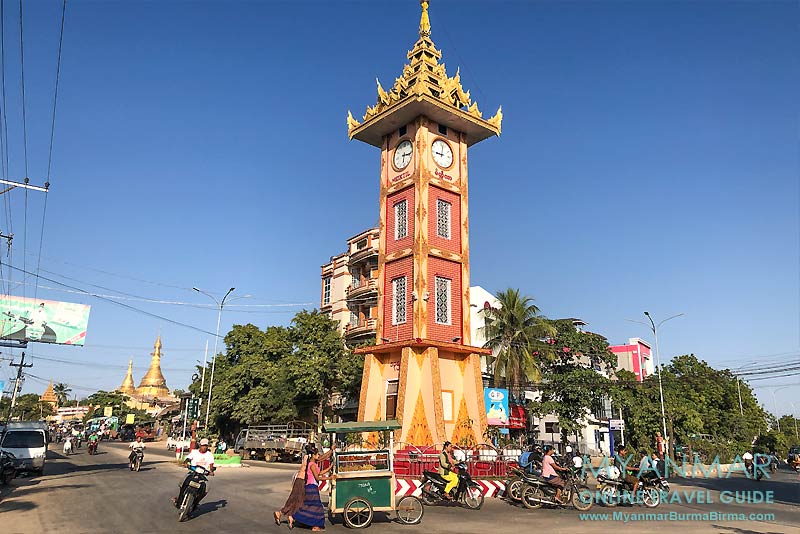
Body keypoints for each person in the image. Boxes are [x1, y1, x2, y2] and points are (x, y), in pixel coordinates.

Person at [275, 444, 335, 529]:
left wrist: (331, 452)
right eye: (316, 452)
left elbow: (321, 459)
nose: (318, 455)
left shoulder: (311, 459)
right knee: (295, 501)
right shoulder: (308, 459)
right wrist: (330, 451)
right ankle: (284, 514)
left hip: (305, 482)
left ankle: (291, 516)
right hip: (301, 482)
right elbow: (321, 460)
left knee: (300, 502)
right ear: (312, 452)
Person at [291, 446, 332, 532]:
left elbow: (320, 472)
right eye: (317, 454)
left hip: (310, 487)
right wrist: (330, 478)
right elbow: (317, 477)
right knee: (317, 507)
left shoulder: (313, 464)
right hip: (312, 488)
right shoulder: (312, 465)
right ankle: (315, 526)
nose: (318, 456)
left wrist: (330, 468)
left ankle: (293, 516)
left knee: (306, 506)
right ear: (313, 455)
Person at [172, 438, 216, 508]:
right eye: (203, 445)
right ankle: (180, 499)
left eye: (206, 446)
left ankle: (196, 503)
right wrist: (186, 463)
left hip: (202, 474)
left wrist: (211, 471)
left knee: (206, 488)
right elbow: (188, 458)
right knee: (183, 482)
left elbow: (211, 465)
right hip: (193, 471)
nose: (204, 447)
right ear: (200, 445)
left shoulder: (209, 454)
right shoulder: (194, 452)